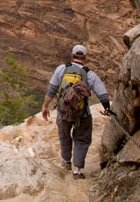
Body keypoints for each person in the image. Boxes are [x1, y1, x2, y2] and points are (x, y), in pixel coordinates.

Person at [40, 44, 110, 179]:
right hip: (82, 114)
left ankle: (66, 161)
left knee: (64, 136)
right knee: (82, 139)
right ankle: (77, 171)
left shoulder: (61, 69)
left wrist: (45, 106)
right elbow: (103, 95)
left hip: (64, 112)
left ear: (72, 56)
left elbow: (52, 90)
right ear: (85, 58)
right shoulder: (90, 74)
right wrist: (107, 108)